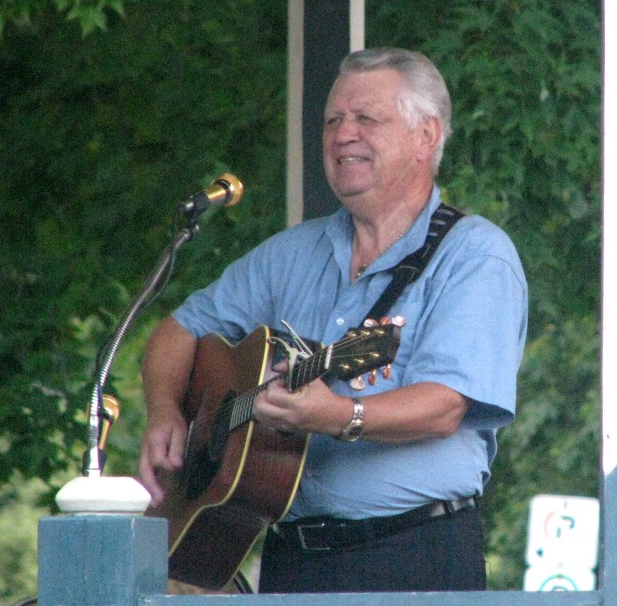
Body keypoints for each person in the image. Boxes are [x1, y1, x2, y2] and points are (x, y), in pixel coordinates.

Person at [138, 47, 527, 593]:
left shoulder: (476, 255)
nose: (343, 134)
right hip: (290, 559)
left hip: (414, 557)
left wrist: (339, 414)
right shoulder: (289, 254)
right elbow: (178, 331)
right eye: (333, 120)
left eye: (367, 119)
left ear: (427, 136)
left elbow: (446, 405)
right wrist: (164, 412)